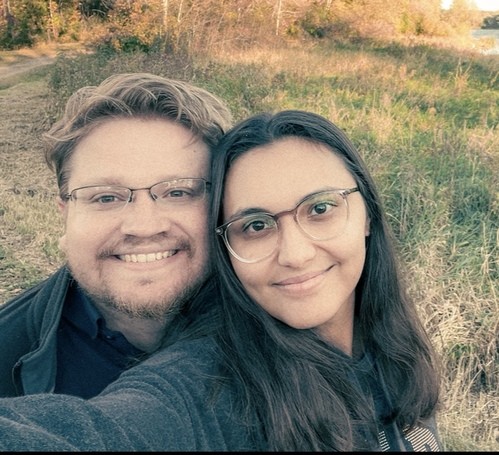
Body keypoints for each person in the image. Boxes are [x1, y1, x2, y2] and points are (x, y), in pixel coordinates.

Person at [0, 110, 442, 451]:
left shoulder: (386, 333)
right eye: (256, 225)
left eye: (321, 209)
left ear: (367, 212)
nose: (296, 254)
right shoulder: (203, 385)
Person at [0, 72, 232, 399]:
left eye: (178, 192)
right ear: (65, 215)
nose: (144, 226)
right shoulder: (6, 353)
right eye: (106, 197)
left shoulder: (284, 323)